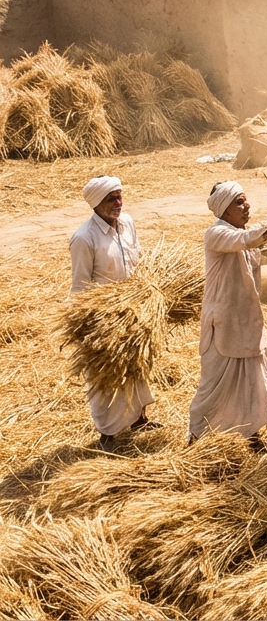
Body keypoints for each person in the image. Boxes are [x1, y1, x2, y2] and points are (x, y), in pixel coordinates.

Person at [190, 181, 267, 451]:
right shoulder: (217, 234)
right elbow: (251, 238)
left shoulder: (242, 233)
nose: (247, 206)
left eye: (245, 200)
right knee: (213, 389)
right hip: (224, 324)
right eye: (239, 202)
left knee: (252, 384)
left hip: (246, 319)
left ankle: (253, 438)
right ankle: (195, 441)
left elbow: (256, 236)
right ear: (224, 211)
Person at [70, 176, 157, 451]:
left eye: (120, 196)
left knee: (137, 365)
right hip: (104, 316)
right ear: (96, 204)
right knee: (105, 374)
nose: (118, 203)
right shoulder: (84, 239)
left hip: (133, 309)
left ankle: (139, 418)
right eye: (111, 199)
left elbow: (137, 260)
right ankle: (107, 433)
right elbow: (80, 285)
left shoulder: (127, 223)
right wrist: (87, 325)